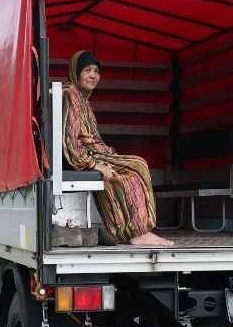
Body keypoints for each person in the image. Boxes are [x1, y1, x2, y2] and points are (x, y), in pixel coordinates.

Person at [63, 50, 173, 247]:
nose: (93, 75)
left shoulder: (82, 98)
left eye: (96, 71)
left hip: (95, 154)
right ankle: (138, 233)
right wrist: (93, 164)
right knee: (133, 169)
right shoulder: (70, 95)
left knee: (136, 166)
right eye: (87, 70)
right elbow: (70, 140)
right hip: (82, 157)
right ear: (75, 72)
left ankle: (137, 232)